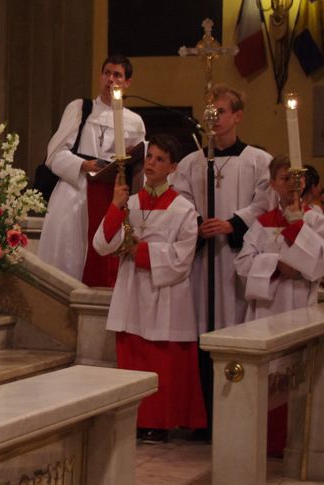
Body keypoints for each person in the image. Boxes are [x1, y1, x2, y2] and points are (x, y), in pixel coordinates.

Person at [92, 134, 206, 443]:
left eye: (159, 159)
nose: (152, 164)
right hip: (132, 293)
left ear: (173, 168)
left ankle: (160, 421)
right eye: (149, 158)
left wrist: (140, 252)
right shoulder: (129, 202)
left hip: (164, 295)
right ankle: (136, 418)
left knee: (161, 362)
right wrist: (115, 208)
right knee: (134, 357)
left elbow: (182, 259)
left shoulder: (183, 208)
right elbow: (102, 245)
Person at [170, 85, 272, 332]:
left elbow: (264, 204)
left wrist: (233, 224)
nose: (213, 118)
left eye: (220, 111)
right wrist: (196, 223)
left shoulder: (258, 161)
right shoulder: (190, 163)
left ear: (238, 116)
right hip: (202, 257)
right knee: (200, 321)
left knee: (236, 321)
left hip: (237, 254)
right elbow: (180, 204)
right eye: (209, 113)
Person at [37, 54, 145, 284]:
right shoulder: (80, 108)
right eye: (107, 73)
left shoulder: (134, 121)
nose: (110, 79)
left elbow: (137, 167)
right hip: (74, 192)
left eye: (117, 75)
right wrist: (83, 164)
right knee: (69, 255)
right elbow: (54, 153)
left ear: (127, 83)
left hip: (109, 195)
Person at [235, 155, 324, 321]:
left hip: (301, 299)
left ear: (303, 182)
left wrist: (298, 226)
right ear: (272, 184)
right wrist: (276, 264)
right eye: (285, 178)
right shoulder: (262, 223)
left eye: (297, 178)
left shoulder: (315, 220)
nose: (292, 183)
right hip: (266, 308)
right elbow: (242, 264)